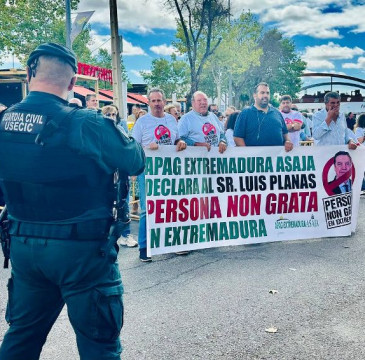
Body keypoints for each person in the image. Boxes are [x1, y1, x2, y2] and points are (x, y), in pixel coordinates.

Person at [0, 42, 145, 360]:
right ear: (71, 82)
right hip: (81, 250)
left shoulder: (4, 122)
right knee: (99, 346)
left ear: (29, 74)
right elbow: (135, 160)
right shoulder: (86, 123)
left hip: (23, 245)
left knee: (21, 338)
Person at [132, 88, 186, 262]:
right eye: (153, 101)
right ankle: (144, 247)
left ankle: (173, 243)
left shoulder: (171, 119)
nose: (156, 104)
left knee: (171, 205)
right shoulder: (142, 122)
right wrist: (148, 147)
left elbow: (175, 139)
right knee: (147, 209)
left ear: (164, 102)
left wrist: (180, 142)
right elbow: (133, 146)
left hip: (169, 169)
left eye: (159, 100)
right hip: (148, 170)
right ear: (148, 103)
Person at [101, 105, 138, 248]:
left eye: (114, 114)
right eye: (108, 114)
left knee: (123, 204)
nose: (111, 116)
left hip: (121, 174)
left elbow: (128, 150)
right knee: (106, 206)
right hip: (105, 175)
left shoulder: (121, 131)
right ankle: (106, 236)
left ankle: (125, 235)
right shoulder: (98, 132)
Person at [233, 82, 293, 152]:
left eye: (267, 93)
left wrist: (287, 141)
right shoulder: (245, 113)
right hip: (254, 161)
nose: (265, 95)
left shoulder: (277, 113)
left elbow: (285, 134)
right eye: (262, 93)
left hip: (276, 160)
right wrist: (248, 155)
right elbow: (237, 137)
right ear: (255, 95)